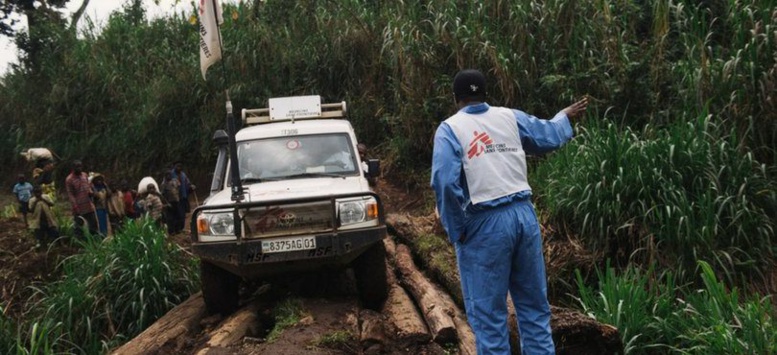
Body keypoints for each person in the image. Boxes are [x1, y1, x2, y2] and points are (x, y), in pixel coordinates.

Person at [431, 69, 588, 354]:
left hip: (484, 224)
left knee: (489, 317)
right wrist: (563, 116)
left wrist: (457, 229)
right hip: (524, 217)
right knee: (534, 309)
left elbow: (444, 180)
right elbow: (548, 135)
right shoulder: (509, 117)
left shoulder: (450, 129)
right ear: (484, 93)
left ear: (455, 97)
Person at [65, 160, 98, 238]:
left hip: (89, 205)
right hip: (79, 207)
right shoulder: (69, 179)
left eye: (80, 166)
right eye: (77, 167)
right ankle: (80, 244)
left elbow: (89, 186)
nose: (79, 168)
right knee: (79, 227)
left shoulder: (84, 175)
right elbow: (70, 194)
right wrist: (75, 206)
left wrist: (92, 192)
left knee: (93, 225)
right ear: (73, 168)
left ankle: (95, 242)